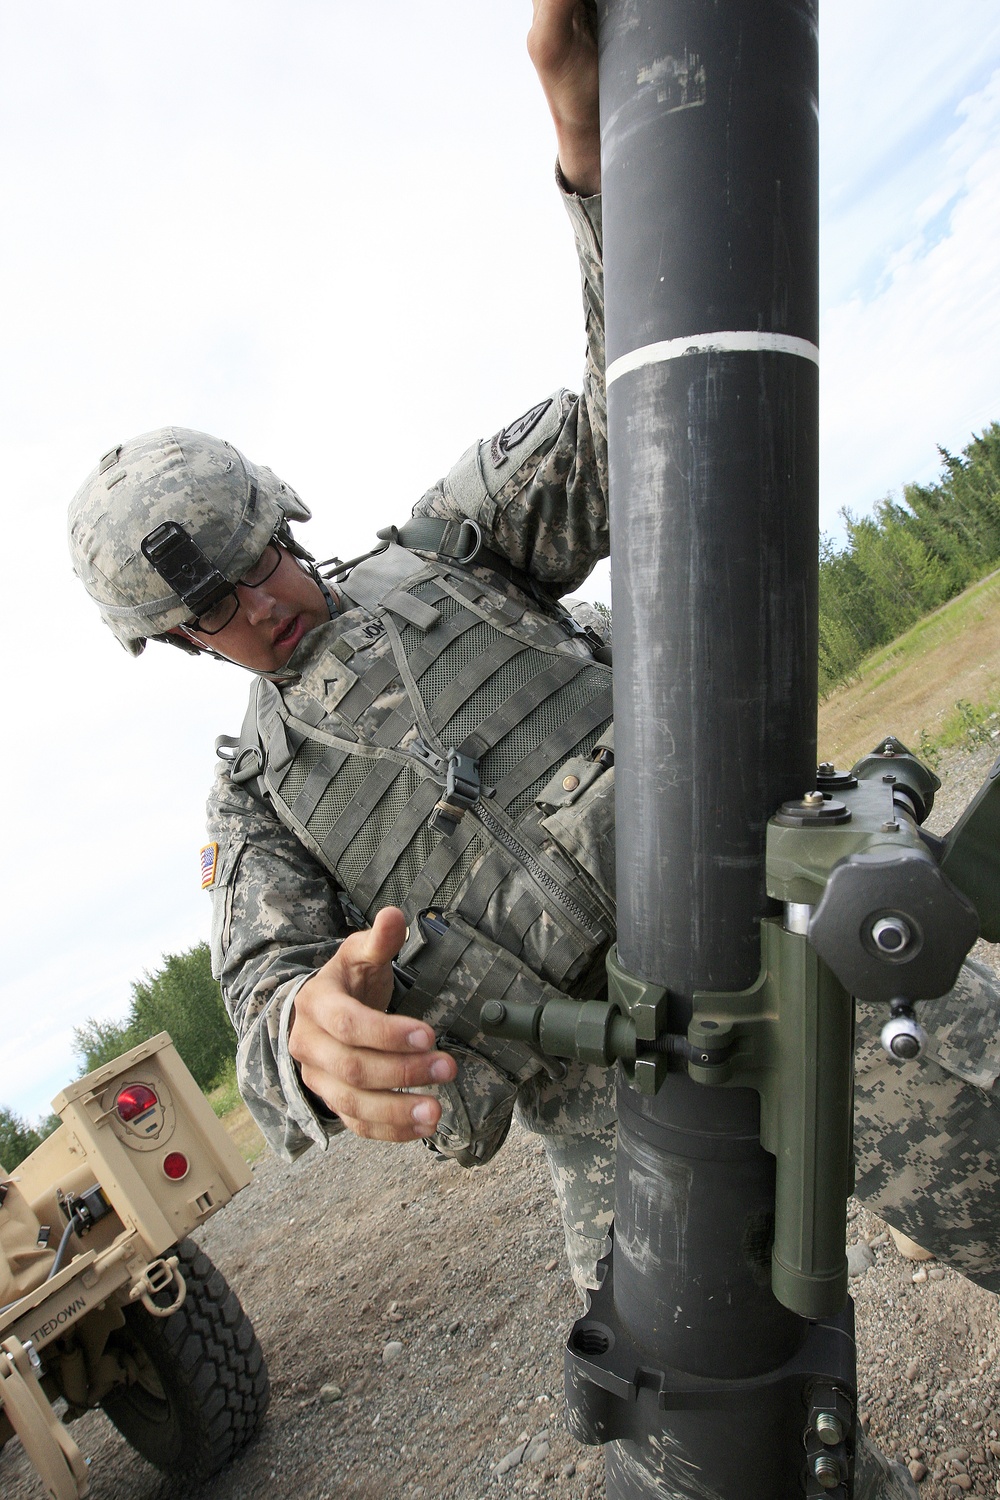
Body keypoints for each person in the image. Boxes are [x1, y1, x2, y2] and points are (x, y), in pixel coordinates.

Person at [66, 4, 996, 1495]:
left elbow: (635, 400)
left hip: (787, 960)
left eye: (258, 562)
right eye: (214, 614)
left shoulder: (453, 546)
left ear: (286, 514)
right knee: (717, 1453)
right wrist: (312, 1032)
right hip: (614, 1117)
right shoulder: (257, 804)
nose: (258, 607)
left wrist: (587, 150)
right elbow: (262, 1007)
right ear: (178, 647)